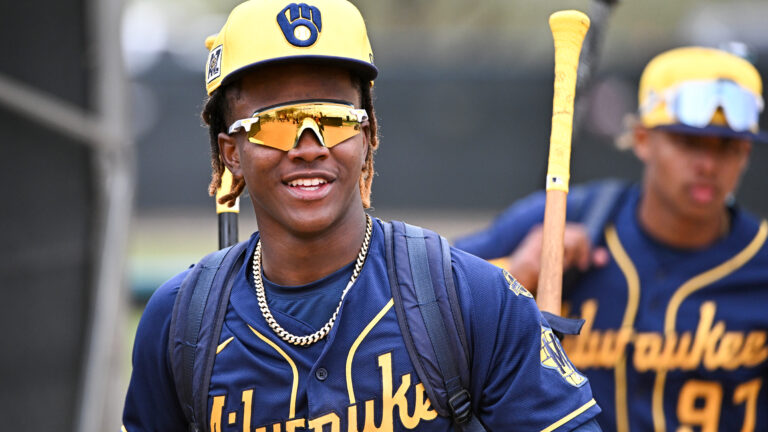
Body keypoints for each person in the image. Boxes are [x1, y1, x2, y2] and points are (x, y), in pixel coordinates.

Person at [121, 0, 603, 431]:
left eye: (333, 120)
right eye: (276, 124)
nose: (309, 147)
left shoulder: (474, 300)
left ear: (367, 134)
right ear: (230, 152)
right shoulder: (178, 324)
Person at [454, 46, 768, 431]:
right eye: (688, 142)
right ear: (641, 139)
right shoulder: (560, 216)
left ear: (747, 153)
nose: (707, 165)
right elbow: (419, 302)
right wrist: (511, 279)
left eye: (728, 147)